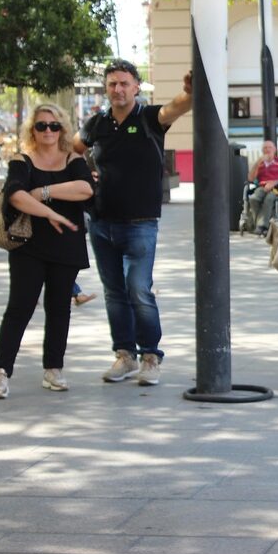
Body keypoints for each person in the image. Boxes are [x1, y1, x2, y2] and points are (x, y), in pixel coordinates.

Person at [73, 59, 192, 386]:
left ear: (136, 87)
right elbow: (73, 148)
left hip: (140, 222)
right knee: (114, 293)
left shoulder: (149, 118)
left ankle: (150, 356)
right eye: (112, 84)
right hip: (101, 222)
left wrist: (190, 93)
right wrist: (83, 173)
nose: (118, 89)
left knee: (139, 289)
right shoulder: (96, 123)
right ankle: (124, 356)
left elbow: (175, 108)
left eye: (124, 83)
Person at [0, 104, 94, 399]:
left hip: (66, 246)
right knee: (19, 308)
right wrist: (52, 214)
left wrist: (45, 193)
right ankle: (0, 372)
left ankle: (53, 369)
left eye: (54, 126)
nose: (48, 131)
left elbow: (86, 189)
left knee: (59, 309)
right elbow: (17, 195)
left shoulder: (73, 159)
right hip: (29, 245)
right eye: (41, 126)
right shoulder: (23, 160)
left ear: (62, 129)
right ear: (32, 130)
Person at [247, 140, 278, 235]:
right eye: (265, 148)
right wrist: (258, 162)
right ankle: (260, 225)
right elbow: (250, 178)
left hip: (276, 187)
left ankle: (261, 226)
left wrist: (274, 183)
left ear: (275, 149)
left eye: (270, 147)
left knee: (269, 199)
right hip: (261, 187)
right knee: (253, 199)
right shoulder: (259, 163)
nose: (267, 149)